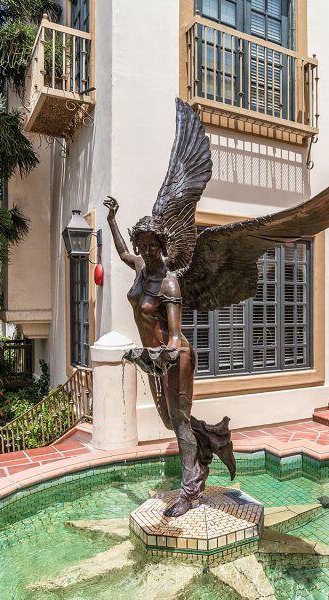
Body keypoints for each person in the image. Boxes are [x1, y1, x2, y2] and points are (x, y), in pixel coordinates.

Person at [103, 196, 233, 517]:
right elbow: (122, 252)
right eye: (142, 245)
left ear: (161, 245)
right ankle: (213, 439)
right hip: (153, 356)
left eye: (152, 246)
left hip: (175, 356)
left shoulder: (169, 283)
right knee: (170, 419)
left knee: (178, 421)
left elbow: (175, 337)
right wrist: (111, 220)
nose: (147, 252)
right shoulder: (139, 268)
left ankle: (191, 491)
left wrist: (161, 356)